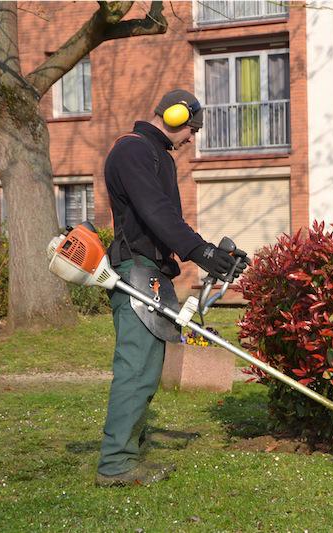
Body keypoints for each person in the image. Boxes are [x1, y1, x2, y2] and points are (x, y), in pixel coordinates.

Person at [95, 89, 244, 487]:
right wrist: (199, 250)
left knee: (148, 368)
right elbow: (155, 212)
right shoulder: (133, 151)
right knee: (136, 367)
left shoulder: (158, 155)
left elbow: (164, 219)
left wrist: (207, 253)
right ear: (176, 117)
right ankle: (116, 465)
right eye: (191, 129)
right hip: (136, 270)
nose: (192, 138)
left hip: (154, 271)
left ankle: (129, 451)